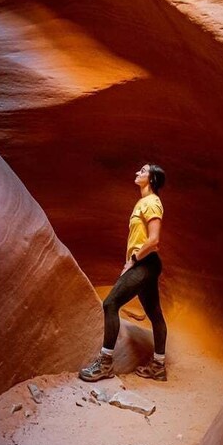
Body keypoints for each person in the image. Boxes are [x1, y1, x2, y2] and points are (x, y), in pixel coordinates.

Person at [79, 163, 168, 382]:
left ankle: (105, 364)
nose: (137, 172)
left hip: (145, 263)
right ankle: (158, 366)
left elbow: (154, 240)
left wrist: (134, 260)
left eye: (143, 171)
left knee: (110, 304)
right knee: (155, 314)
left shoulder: (152, 202)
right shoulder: (143, 202)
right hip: (144, 264)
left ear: (152, 179)